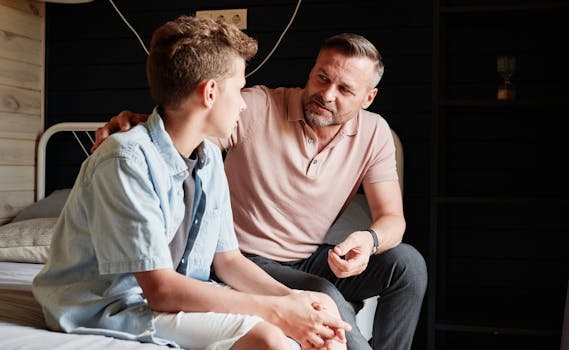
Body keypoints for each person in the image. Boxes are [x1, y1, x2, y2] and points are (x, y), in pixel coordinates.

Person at [33, 16, 351, 350]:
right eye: (240, 89)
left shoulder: (210, 156)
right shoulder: (125, 159)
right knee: (269, 339)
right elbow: (161, 290)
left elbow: (228, 260)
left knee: (321, 305)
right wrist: (278, 312)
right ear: (210, 92)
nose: (243, 104)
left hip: (177, 293)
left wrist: (295, 300)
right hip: (111, 305)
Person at [95, 33, 427, 350]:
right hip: (245, 258)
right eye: (322, 78)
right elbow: (188, 136)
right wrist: (141, 125)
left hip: (310, 258)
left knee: (408, 265)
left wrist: (368, 242)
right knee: (324, 295)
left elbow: (392, 220)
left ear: (368, 99)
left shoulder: (375, 133)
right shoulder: (255, 107)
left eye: (345, 89)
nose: (327, 94)